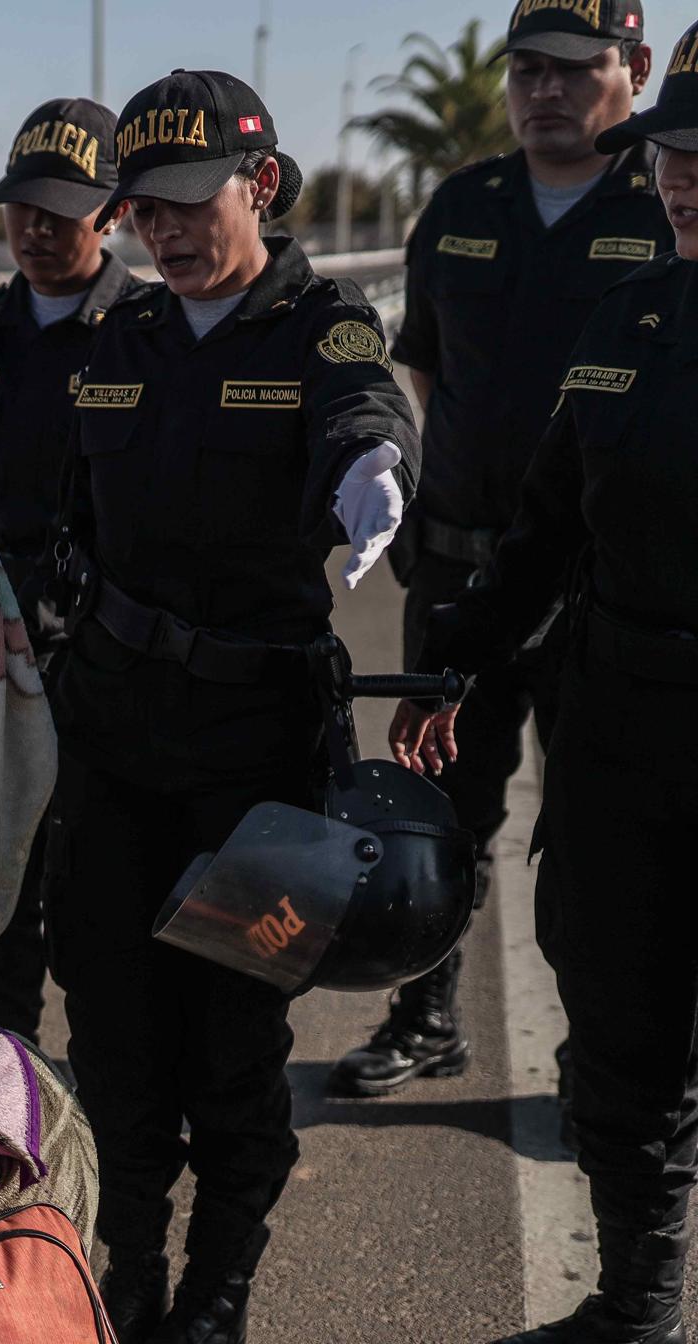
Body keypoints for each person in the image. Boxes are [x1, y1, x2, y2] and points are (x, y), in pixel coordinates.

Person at [48, 71, 420, 1343]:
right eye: (142, 211)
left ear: (259, 186)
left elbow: (367, 404)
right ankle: (133, 1277)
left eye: (188, 204)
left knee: (230, 1044)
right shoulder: (122, 340)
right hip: (112, 743)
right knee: (111, 1034)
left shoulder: (321, 324)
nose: (163, 232)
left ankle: (217, 1296)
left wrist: (377, 464)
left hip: (253, 762)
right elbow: (63, 528)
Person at [393, 22, 698, 1340]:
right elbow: (548, 527)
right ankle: (634, 1309)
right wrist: (457, 652)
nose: (681, 176)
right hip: (626, 733)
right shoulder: (630, 311)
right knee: (622, 1037)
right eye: (674, 153)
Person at [332, 0, 665, 1099]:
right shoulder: (461, 206)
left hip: (600, 593)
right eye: (527, 69)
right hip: (460, 572)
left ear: (638, 67)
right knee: (441, 815)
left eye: (574, 69)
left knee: (596, 834)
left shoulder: (665, 200)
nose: (545, 92)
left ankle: (596, 1051)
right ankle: (427, 1016)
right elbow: (426, 376)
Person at [0, 95, 141, 1040]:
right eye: (21, 206)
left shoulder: (150, 329)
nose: (34, 228)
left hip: (114, 667)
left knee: (104, 913)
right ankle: (6, 1097)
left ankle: (111, 1112)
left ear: (113, 213)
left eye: (61, 210)